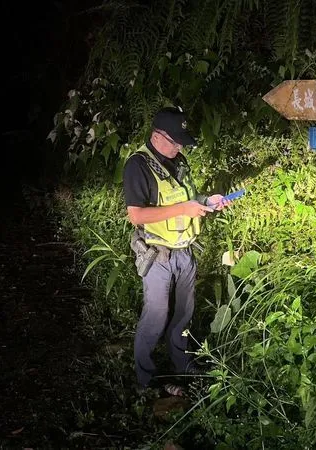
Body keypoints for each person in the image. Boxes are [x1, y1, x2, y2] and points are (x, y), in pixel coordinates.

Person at [122, 107, 230, 389]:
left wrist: (207, 201)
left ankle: (182, 364)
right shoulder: (138, 166)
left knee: (184, 314)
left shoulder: (178, 160)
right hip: (158, 256)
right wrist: (184, 208)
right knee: (156, 316)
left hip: (185, 253)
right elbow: (136, 215)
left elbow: (188, 199)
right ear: (157, 136)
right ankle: (146, 378)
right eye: (176, 141)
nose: (180, 146)